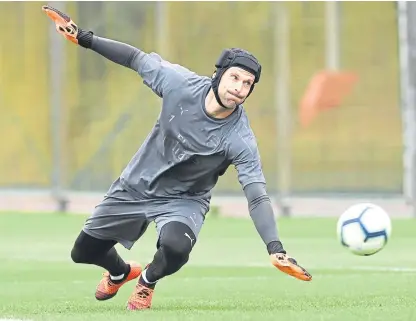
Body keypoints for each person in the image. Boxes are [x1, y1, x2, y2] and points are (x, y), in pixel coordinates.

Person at [42, 5, 312, 311]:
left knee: (176, 248)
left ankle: (147, 280)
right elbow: (135, 58)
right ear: (218, 74)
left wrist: (275, 248)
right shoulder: (178, 84)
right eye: (234, 77)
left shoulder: (240, 138)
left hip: (184, 199)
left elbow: (256, 194)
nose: (238, 88)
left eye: (247, 84)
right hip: (136, 185)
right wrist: (84, 38)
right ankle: (120, 272)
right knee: (83, 251)